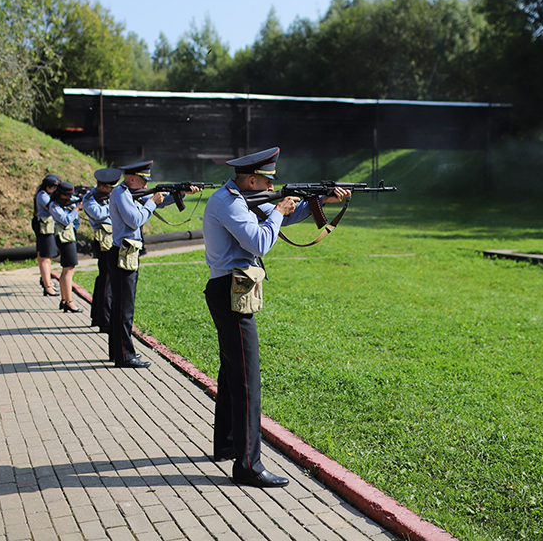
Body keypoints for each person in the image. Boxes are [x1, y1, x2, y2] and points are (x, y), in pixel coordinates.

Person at [202, 147, 350, 488]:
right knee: (246, 380)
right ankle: (248, 465)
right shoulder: (230, 203)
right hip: (230, 293)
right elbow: (261, 241)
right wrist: (280, 209)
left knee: (231, 372)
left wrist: (320, 201)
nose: (271, 187)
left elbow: (282, 216)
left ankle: (226, 444)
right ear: (252, 179)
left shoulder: (241, 197)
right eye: (267, 181)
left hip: (232, 290)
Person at [107, 161, 198, 368]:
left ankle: (118, 351)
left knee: (122, 306)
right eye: (143, 180)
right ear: (132, 179)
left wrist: (180, 193)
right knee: (124, 308)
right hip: (123, 253)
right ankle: (125, 355)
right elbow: (135, 220)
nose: (146, 184)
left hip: (126, 252)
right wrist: (152, 202)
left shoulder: (129, 192)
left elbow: (159, 201)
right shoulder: (122, 194)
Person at [82, 168, 121, 344]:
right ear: (104, 187)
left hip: (109, 240)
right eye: (111, 187)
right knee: (106, 280)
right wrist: (115, 205)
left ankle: (98, 316)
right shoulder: (90, 198)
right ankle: (104, 319)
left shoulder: (104, 196)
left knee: (105, 279)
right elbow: (96, 214)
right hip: (103, 242)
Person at [49, 181, 82, 313]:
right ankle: (69, 301)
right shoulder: (54, 205)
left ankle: (64, 300)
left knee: (66, 269)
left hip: (69, 236)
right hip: (65, 239)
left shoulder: (68, 201)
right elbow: (65, 220)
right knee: (69, 269)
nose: (70, 198)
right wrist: (76, 209)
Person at [33, 174, 60, 296]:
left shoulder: (43, 193)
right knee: (46, 257)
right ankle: (47, 285)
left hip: (44, 225)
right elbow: (52, 208)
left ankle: (46, 279)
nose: (54, 189)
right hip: (44, 227)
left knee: (43, 254)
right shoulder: (43, 196)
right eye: (52, 187)